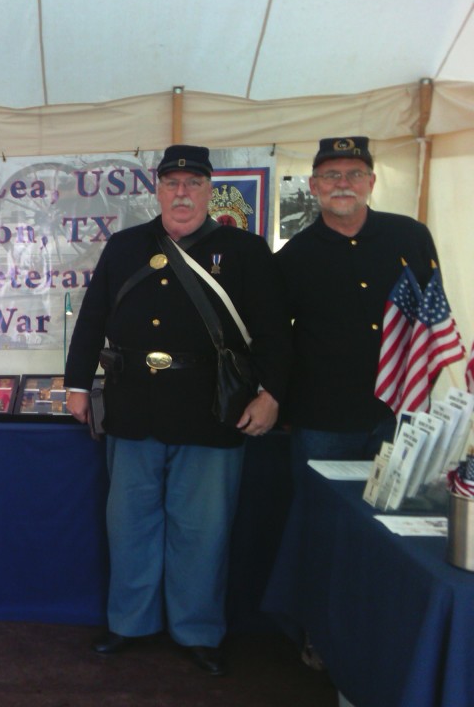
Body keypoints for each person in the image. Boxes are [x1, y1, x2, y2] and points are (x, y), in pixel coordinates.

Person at [64, 144, 291, 676]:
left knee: (202, 529)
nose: (181, 193)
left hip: (213, 410)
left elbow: (277, 333)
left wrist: (272, 394)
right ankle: (130, 622)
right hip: (134, 405)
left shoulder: (245, 249)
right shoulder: (125, 246)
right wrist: (76, 384)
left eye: (192, 183)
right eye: (172, 183)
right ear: (158, 189)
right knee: (130, 524)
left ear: (209, 190)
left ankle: (198, 631)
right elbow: (93, 316)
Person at [263, 136, 439, 665]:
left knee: (397, 529)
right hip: (323, 417)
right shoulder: (294, 255)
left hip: (397, 412)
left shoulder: (410, 236)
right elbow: (277, 339)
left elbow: (433, 321)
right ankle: (321, 630)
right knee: (325, 531)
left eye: (354, 173)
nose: (343, 183)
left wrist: (426, 393)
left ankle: (388, 631)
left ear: (371, 181)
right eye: (332, 175)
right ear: (314, 186)